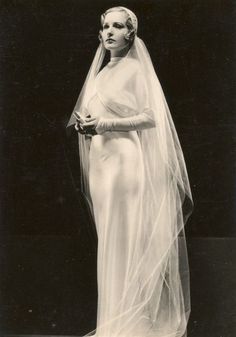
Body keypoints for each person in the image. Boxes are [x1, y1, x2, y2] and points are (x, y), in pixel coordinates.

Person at [67, 6, 193, 337]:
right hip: (101, 162)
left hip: (125, 161)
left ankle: (129, 324)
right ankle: (112, 321)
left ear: (130, 34)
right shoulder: (102, 72)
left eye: (118, 26)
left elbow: (151, 116)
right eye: (105, 26)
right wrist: (87, 125)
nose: (109, 31)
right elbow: (94, 113)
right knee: (109, 238)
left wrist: (105, 123)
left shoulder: (136, 70)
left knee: (124, 238)